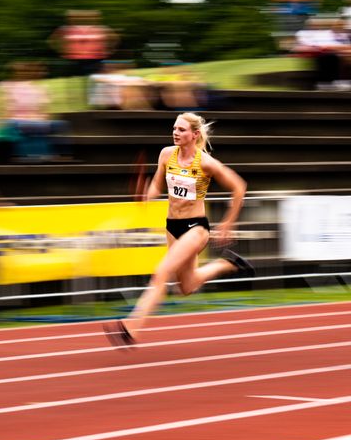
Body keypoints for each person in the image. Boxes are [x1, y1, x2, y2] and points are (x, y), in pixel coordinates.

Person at [104, 112, 254, 348]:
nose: (175, 132)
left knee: (161, 272)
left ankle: (131, 326)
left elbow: (239, 186)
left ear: (194, 135)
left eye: (181, 129)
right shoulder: (166, 154)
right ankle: (227, 264)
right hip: (172, 226)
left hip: (195, 228)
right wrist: (147, 195)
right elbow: (156, 183)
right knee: (187, 286)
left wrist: (228, 222)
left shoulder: (205, 162)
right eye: (174, 128)